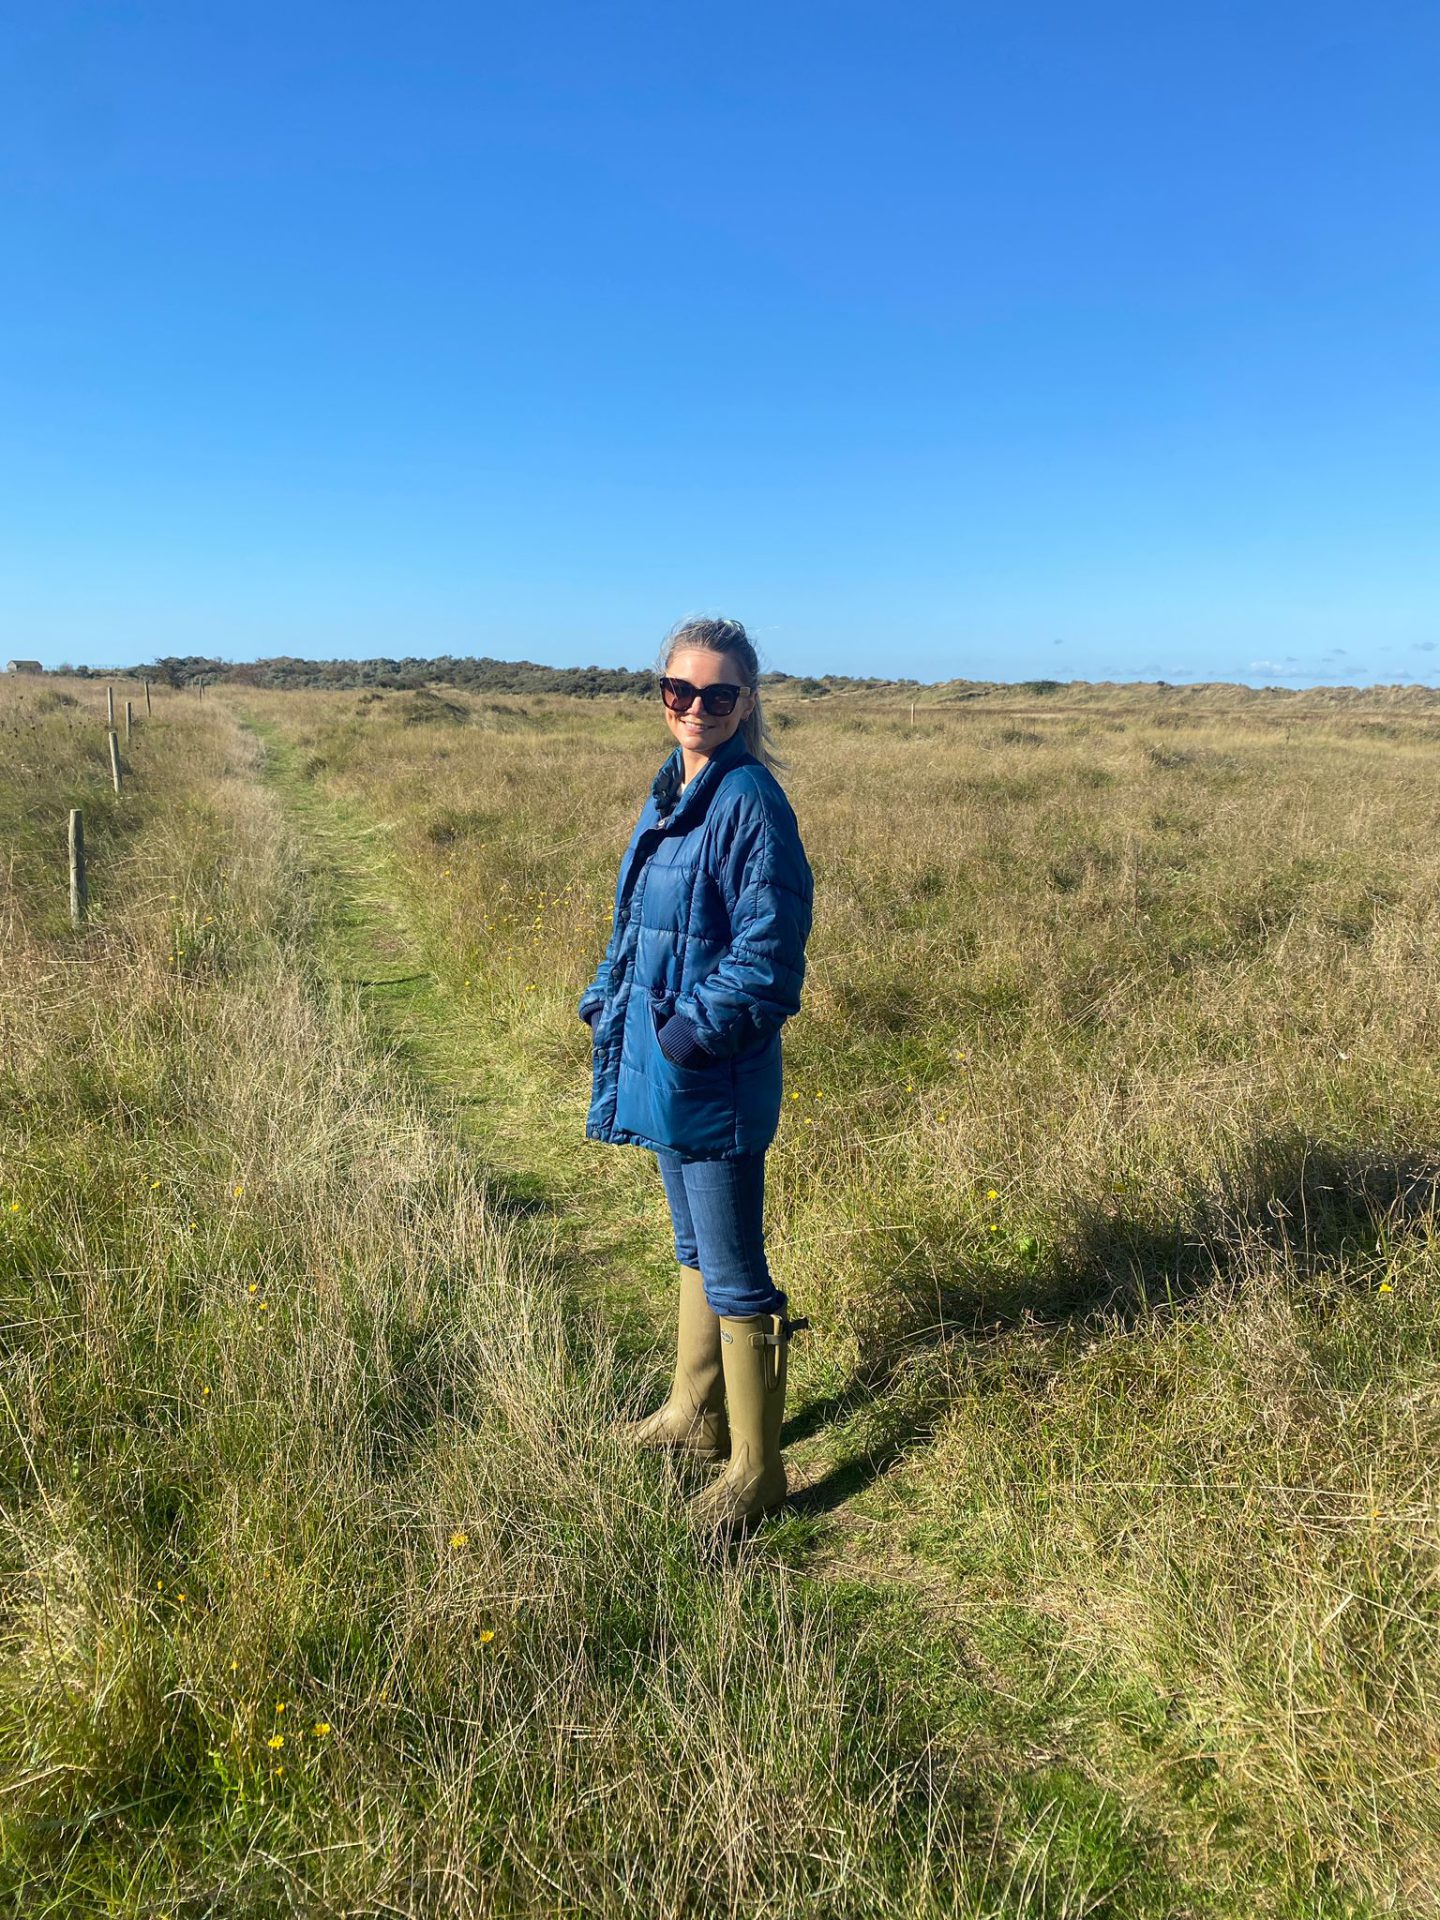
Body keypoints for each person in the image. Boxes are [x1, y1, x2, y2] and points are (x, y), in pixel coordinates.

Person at [579, 616, 814, 1527]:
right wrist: (605, 1000)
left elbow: (770, 953)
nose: (697, 708)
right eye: (681, 691)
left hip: (709, 1071)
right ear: (660, 694)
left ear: (746, 703)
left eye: (719, 695)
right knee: (693, 1250)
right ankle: (692, 1415)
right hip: (662, 1060)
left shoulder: (750, 800)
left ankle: (758, 1471)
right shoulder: (670, 790)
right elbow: (635, 923)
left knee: (737, 1271)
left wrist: (686, 1037)